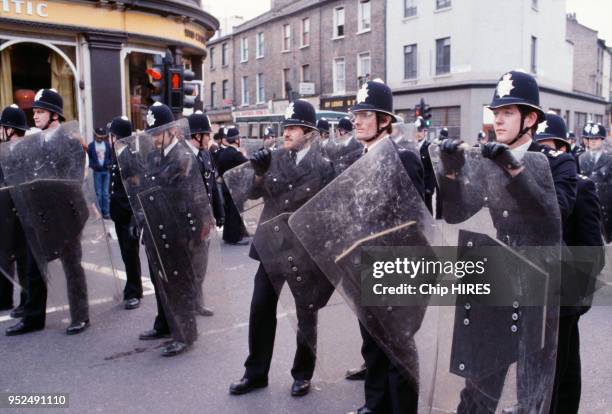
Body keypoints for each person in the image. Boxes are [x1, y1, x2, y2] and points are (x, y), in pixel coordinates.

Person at [438, 70, 577, 413]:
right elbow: (457, 213)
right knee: (480, 378)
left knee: (533, 388)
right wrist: (451, 172)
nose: (498, 120)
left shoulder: (558, 163)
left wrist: (515, 170)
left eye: (508, 113)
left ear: (530, 119)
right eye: (495, 113)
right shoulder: (488, 159)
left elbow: (553, 215)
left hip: (541, 281)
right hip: (499, 275)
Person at [229, 99, 335, 398]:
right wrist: (259, 172)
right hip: (270, 248)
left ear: (310, 133)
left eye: (293, 128)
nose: (286, 133)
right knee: (260, 308)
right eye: (285, 127)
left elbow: (327, 212)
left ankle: (302, 374)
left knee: (306, 315)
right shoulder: (273, 158)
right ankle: (255, 372)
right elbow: (251, 193)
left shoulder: (324, 166)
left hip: (303, 252)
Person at [534, 112, 605, 413]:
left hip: (566, 291)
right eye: (540, 149)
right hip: (540, 290)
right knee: (558, 364)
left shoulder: (581, 186)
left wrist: (574, 294)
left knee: (562, 366)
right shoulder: (534, 188)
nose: (544, 155)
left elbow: (593, 251)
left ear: (562, 149)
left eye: (550, 148)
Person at [6, 88, 91, 336]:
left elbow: (73, 180)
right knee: (34, 268)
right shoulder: (32, 142)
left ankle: (80, 315)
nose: (35, 116)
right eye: (34, 111)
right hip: (39, 214)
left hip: (66, 215)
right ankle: (33, 317)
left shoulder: (71, 143)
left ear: (55, 115)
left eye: (40, 112)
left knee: (72, 265)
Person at [132, 102, 211, 357]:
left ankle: (185, 335)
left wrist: (194, 235)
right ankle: (166, 324)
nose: (153, 138)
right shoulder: (155, 156)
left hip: (178, 231)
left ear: (171, 132)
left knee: (180, 284)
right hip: (158, 229)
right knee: (162, 282)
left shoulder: (184, 157)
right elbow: (146, 189)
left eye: (157, 133)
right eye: (151, 134)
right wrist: (140, 216)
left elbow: (194, 199)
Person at [187, 110, 226, 317]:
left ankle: (197, 302)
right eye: (206, 135)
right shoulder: (183, 158)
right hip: (189, 222)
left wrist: (218, 213)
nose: (209, 139)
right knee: (189, 266)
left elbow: (212, 186)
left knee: (201, 265)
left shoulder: (205, 155)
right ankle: (188, 303)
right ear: (196, 136)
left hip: (205, 221)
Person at [108, 116, 143, 310]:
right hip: (119, 213)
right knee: (125, 254)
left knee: (131, 254)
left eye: (111, 135)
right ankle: (131, 288)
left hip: (129, 215)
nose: (109, 139)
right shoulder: (117, 155)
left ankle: (134, 292)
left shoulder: (130, 156)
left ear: (117, 137)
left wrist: (134, 218)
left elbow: (136, 188)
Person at [0, 105, 30, 317]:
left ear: (10, 129)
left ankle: (26, 302)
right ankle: (6, 298)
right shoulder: (3, 149)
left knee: (23, 260)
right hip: (5, 212)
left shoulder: (23, 151)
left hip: (19, 213)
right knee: (5, 257)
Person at [578, 122, 612, 243]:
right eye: (590, 138)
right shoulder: (581, 158)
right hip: (587, 203)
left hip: (606, 205)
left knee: (607, 239)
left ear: (602, 140)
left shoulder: (609, 158)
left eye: (596, 138)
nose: (593, 141)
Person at [216, 127, 249, 245]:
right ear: (236, 140)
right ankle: (235, 238)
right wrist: (244, 153)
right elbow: (248, 164)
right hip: (235, 188)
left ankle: (228, 236)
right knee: (235, 213)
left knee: (229, 212)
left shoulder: (223, 153)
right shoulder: (236, 154)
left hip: (225, 187)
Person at [88, 127, 112, 219]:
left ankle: (106, 212)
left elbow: (110, 156)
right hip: (97, 171)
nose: (100, 139)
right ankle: (99, 212)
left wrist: (109, 164)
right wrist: (93, 165)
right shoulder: (91, 146)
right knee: (98, 193)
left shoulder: (106, 145)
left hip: (106, 171)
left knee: (105, 193)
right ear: (95, 136)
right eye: (99, 137)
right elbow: (90, 158)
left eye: (102, 137)